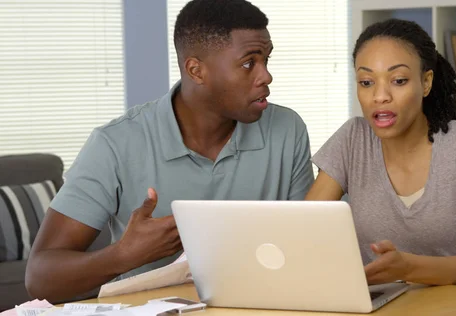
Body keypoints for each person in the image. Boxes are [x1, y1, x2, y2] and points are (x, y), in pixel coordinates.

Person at [26, 0, 314, 302]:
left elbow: (305, 245)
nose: (266, 76)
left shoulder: (286, 129)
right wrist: (123, 255)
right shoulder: (115, 143)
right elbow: (41, 279)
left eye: (267, 60)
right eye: (248, 63)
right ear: (196, 70)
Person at [306, 19, 456, 290]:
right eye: (366, 82)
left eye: (398, 80)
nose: (380, 96)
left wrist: (410, 268)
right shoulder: (352, 139)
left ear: (426, 82)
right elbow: (304, 231)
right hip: (377, 306)